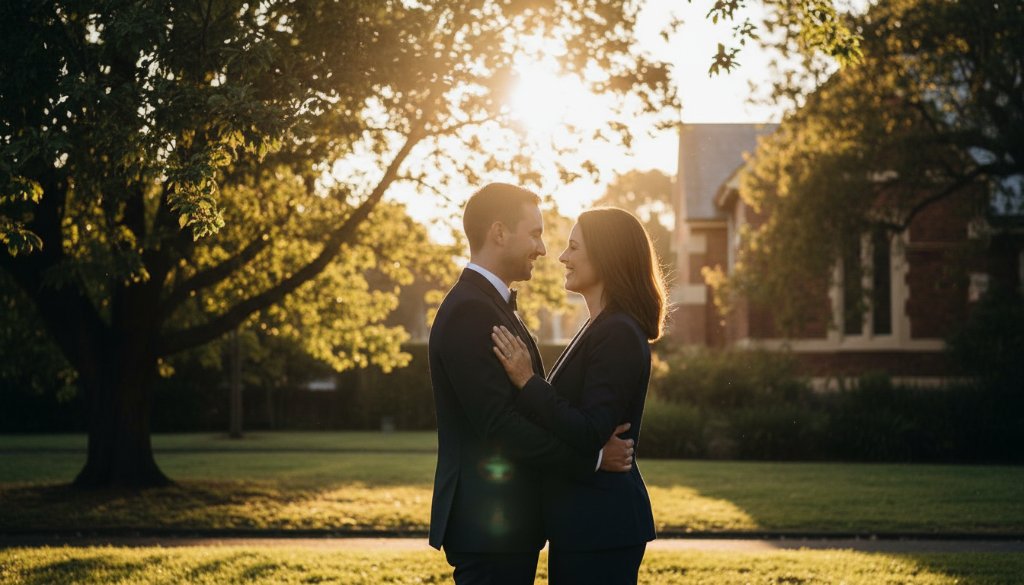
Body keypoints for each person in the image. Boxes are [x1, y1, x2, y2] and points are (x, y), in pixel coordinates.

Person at [428, 184, 635, 585]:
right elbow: (499, 426)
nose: (543, 250)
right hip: (488, 525)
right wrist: (592, 459)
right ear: (499, 232)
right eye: (535, 233)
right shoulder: (471, 310)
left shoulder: (491, 304)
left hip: (503, 526)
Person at [490, 206, 666, 584]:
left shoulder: (618, 332)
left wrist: (527, 381)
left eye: (573, 247)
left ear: (605, 255)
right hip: (585, 523)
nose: (562, 257)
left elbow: (590, 430)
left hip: (602, 525)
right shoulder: (599, 326)